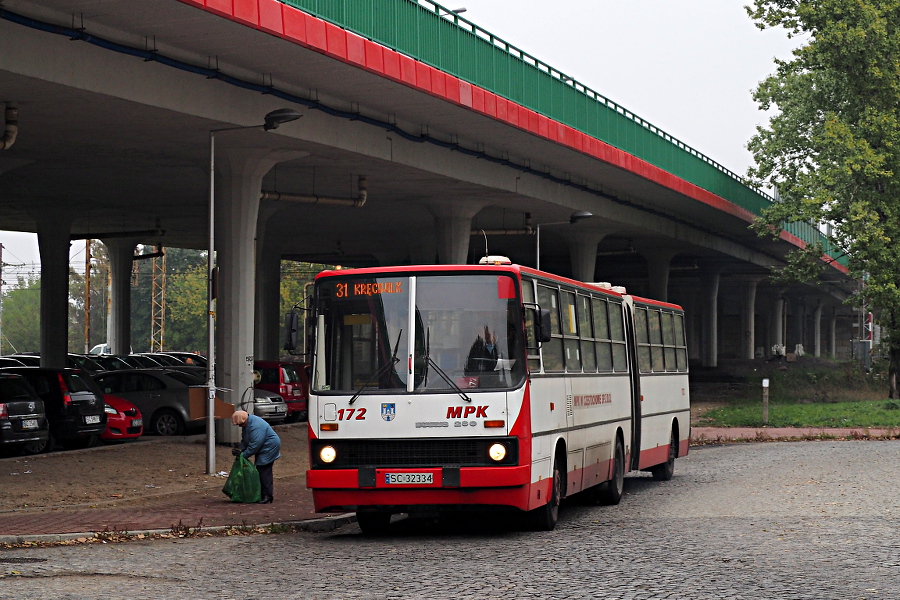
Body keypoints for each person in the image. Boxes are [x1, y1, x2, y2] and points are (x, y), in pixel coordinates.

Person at [231, 410, 281, 504]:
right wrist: (241, 450)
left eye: (240, 424)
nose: (239, 426)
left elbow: (255, 444)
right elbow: (246, 439)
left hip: (269, 447)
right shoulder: (248, 424)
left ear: (243, 421)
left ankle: (267, 495)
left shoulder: (255, 426)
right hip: (265, 446)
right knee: (261, 469)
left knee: (263, 469)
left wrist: (244, 455)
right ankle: (263, 494)